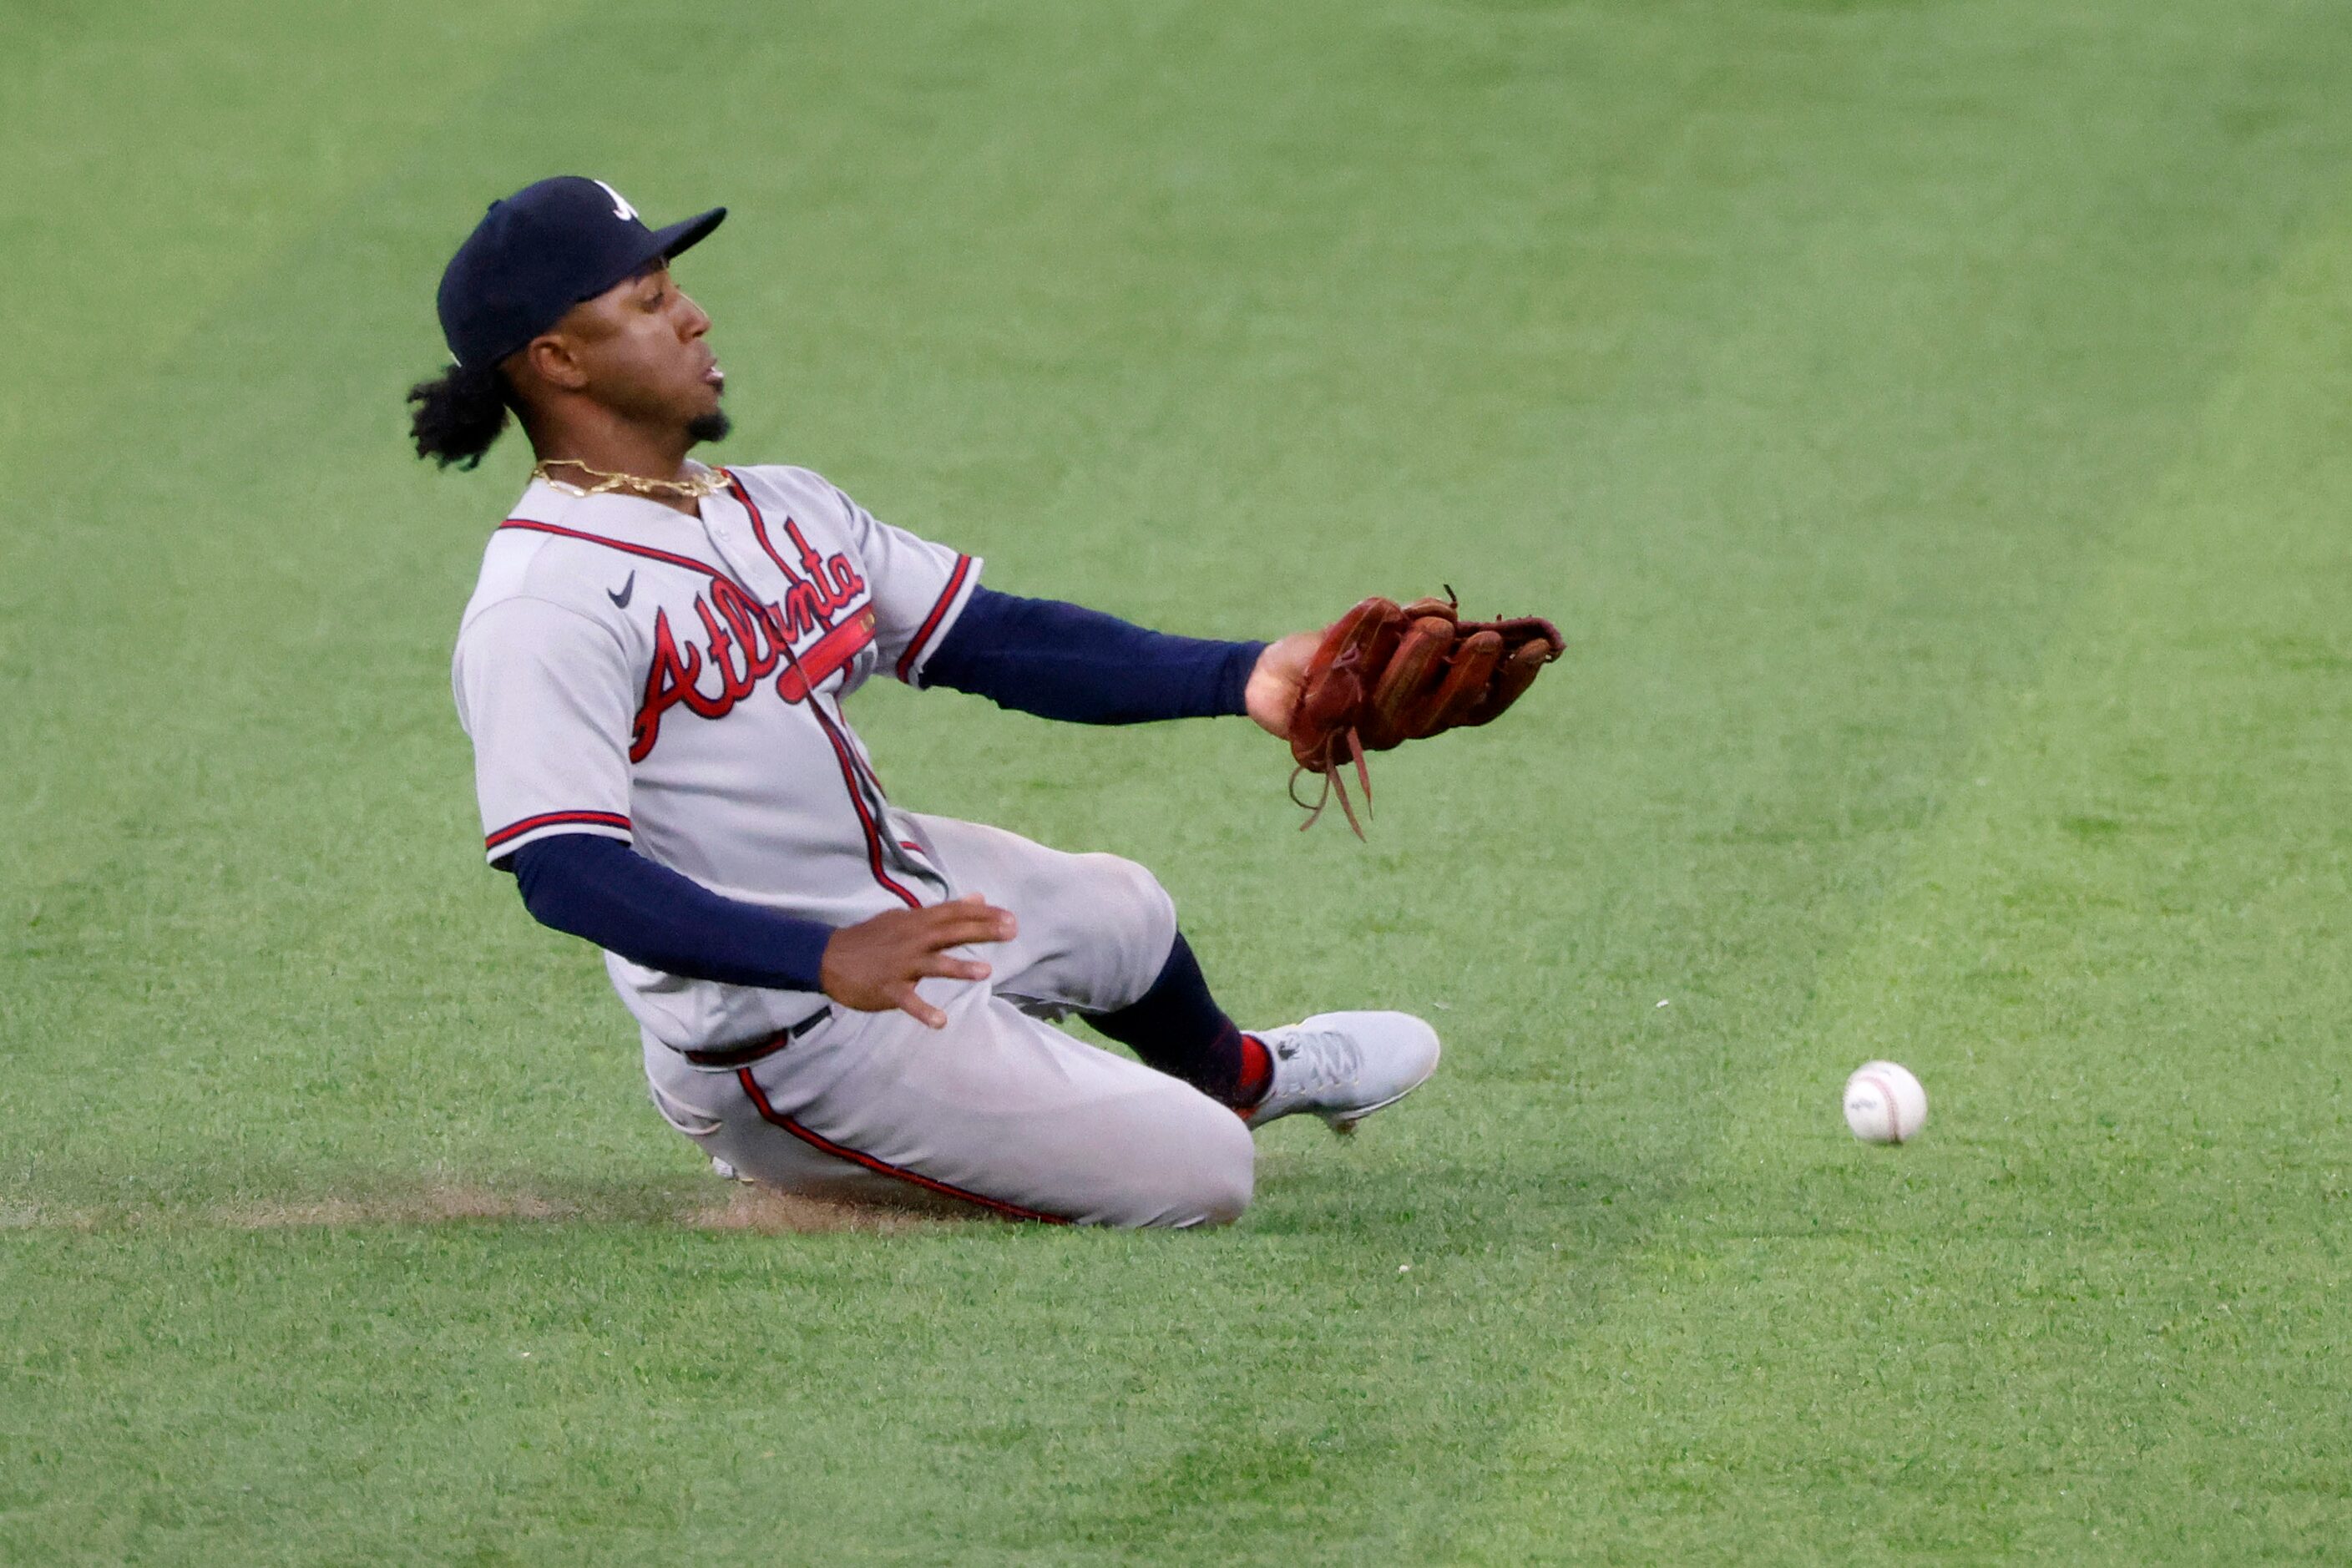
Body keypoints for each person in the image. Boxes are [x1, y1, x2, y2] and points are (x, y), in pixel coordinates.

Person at [408, 176, 1439, 1227]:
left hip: (892, 895)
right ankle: (832, 1149)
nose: (694, 314)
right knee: (1202, 1174)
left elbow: (992, 637)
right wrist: (820, 956)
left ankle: (1240, 1074)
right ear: (559, 359)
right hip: (784, 1035)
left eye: (675, 285)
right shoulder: (545, 605)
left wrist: (1243, 675)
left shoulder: (774, 505)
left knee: (1123, 914)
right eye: (648, 299)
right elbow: (563, 868)